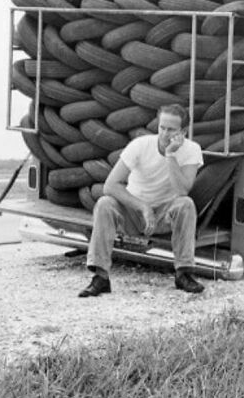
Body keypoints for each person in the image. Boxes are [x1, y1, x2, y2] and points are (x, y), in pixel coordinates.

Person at [78, 103, 205, 297]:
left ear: (183, 132)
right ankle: (100, 277)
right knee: (104, 203)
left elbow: (182, 190)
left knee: (186, 205)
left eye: (171, 129)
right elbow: (110, 185)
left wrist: (170, 155)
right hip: (133, 212)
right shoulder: (140, 145)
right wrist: (143, 207)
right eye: (162, 127)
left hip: (164, 215)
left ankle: (184, 274)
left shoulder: (192, 150)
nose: (164, 134)